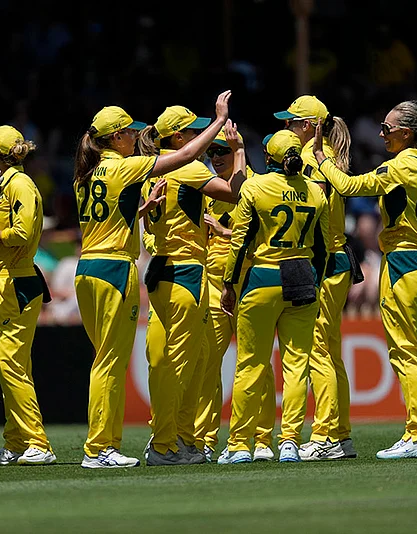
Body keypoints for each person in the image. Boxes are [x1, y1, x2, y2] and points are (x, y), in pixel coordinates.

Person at [73, 91, 231, 468]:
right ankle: (100, 448)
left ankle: (107, 444)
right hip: (115, 269)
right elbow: (187, 156)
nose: (134, 138)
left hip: (87, 268)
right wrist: (219, 120)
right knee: (110, 363)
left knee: (104, 360)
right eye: (129, 133)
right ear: (115, 138)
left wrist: (141, 209)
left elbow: (106, 217)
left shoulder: (86, 173)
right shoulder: (123, 167)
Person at [313, 101, 417, 460]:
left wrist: (321, 157)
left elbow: (346, 186)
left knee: (405, 351)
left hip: (404, 263)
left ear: (406, 134)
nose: (381, 134)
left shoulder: (399, 168)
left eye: (387, 128)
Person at [139, 102, 246, 466]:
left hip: (159, 269)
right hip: (187, 272)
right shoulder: (188, 167)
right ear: (179, 137)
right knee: (183, 365)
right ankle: (164, 443)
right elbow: (234, 192)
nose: (203, 138)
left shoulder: (150, 170)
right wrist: (238, 151)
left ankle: (181, 439)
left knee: (188, 361)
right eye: (194, 131)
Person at [217, 129, 329, 464]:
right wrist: (317, 282)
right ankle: (291, 441)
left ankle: (239, 445)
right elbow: (323, 250)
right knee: (297, 366)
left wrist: (229, 284)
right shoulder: (315, 192)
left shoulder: (255, 187)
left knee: (251, 364)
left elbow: (240, 241)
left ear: (268, 158)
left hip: (263, 276)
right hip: (302, 276)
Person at [275, 95, 358, 460]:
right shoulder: (331, 159)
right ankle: (339, 433)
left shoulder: (309, 160)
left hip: (324, 262)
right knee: (331, 353)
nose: (286, 128)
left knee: (318, 352)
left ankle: (325, 436)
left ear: (308, 127)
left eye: (291, 123)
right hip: (339, 259)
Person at [0, 125, 57, 466]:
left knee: (11, 364)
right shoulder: (8, 184)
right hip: (4, 277)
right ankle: (17, 442)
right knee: (9, 365)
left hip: (17, 282)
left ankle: (37, 442)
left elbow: (21, 233)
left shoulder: (19, 184)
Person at [195, 129, 276, 462]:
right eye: (212, 154)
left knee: (256, 365)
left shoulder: (256, 185)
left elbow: (265, 237)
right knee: (207, 364)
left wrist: (224, 231)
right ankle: (204, 438)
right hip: (213, 284)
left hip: (248, 282)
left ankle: (262, 439)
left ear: (237, 153)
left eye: (222, 153)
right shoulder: (207, 188)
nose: (216, 159)